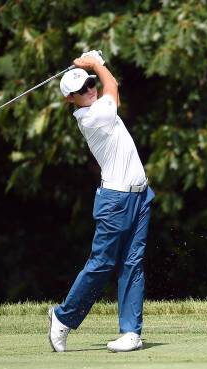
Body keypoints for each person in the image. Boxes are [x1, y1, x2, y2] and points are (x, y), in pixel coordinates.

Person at [48, 53, 154, 353]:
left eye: (90, 84)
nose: (90, 90)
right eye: (82, 90)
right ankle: (62, 317)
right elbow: (114, 85)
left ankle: (131, 332)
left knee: (132, 264)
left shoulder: (96, 107)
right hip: (116, 201)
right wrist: (95, 63)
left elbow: (107, 84)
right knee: (102, 265)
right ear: (71, 98)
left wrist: (94, 66)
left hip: (140, 195)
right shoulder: (92, 117)